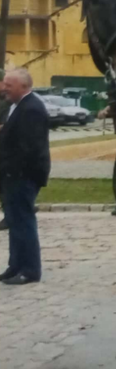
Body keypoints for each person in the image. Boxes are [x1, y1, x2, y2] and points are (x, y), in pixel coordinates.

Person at [0, 68, 50, 285]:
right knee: (14, 221)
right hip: (12, 175)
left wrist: (11, 171)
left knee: (23, 221)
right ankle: (16, 265)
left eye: (9, 85)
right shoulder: (17, 106)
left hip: (22, 175)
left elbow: (28, 148)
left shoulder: (31, 109)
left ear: (22, 86)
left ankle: (30, 269)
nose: (4, 88)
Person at [0, 75, 11, 232]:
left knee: (5, 185)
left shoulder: (8, 103)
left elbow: (6, 125)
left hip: (5, 150)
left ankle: (9, 216)